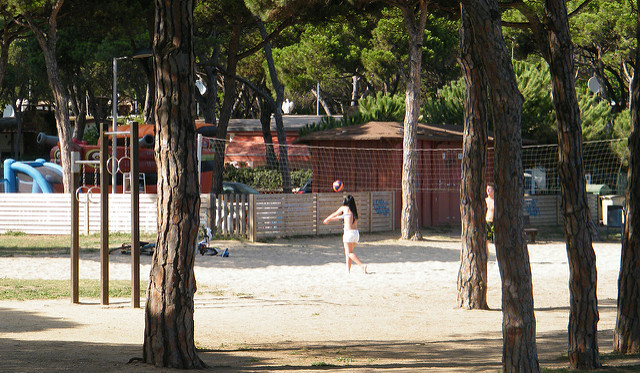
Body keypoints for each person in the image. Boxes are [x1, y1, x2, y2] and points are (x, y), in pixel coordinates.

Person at [323, 195, 367, 274]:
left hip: (348, 234)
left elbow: (335, 214)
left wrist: (327, 219)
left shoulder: (344, 208)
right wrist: (329, 220)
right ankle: (348, 271)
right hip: (356, 234)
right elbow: (339, 217)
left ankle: (362, 266)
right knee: (348, 252)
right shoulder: (353, 211)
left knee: (349, 253)